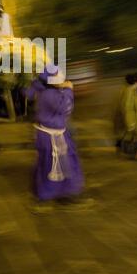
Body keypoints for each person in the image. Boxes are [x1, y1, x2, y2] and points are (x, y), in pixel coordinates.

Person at [23, 65, 85, 211]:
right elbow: (66, 107)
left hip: (54, 135)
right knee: (50, 165)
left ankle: (64, 193)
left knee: (62, 164)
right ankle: (46, 196)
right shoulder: (50, 94)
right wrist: (69, 90)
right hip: (51, 137)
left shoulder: (44, 90)